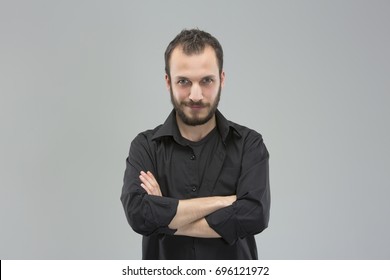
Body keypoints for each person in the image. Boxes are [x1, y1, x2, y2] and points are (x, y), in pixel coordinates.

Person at [121, 28, 270, 260]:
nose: (196, 95)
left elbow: (254, 215)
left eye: (206, 80)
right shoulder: (146, 147)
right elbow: (140, 215)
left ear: (221, 79)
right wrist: (225, 201)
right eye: (184, 81)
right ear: (168, 81)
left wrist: (165, 215)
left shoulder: (249, 144)